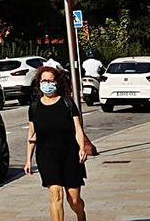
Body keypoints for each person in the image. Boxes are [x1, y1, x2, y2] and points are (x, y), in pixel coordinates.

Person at [25, 65, 89, 221]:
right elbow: (31, 135)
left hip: (70, 155)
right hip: (46, 156)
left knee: (73, 199)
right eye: (43, 80)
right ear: (39, 82)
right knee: (56, 195)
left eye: (50, 80)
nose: (47, 84)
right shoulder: (34, 107)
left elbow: (78, 129)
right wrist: (28, 160)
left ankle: (81, 216)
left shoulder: (67, 103)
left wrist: (82, 148)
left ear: (57, 83)